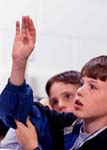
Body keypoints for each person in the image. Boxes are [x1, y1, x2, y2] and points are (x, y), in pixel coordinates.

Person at [1, 16, 107, 150]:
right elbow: (15, 112)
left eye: (92, 86)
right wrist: (19, 62)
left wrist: (32, 146)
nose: (80, 91)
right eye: (82, 83)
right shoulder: (69, 124)